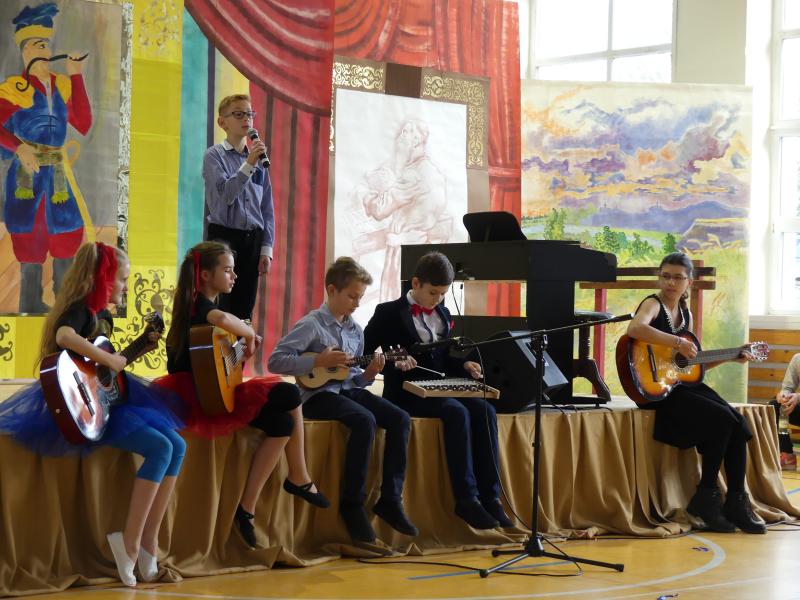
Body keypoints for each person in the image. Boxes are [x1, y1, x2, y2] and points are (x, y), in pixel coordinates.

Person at [0, 242, 186, 586]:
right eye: (122, 279)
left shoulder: (105, 318)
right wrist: (108, 359)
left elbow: (104, 369)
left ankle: (149, 540)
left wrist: (139, 347)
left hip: (105, 400)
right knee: (161, 447)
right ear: (104, 277)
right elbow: (64, 336)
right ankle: (129, 542)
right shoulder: (81, 311)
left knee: (179, 445)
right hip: (84, 408)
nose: (125, 287)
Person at [156, 241, 328, 549]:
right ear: (205, 275)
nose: (234, 276)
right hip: (197, 397)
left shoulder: (206, 311)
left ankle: (246, 509)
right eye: (227, 270)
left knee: (282, 424)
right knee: (290, 392)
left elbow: (217, 366)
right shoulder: (199, 308)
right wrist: (248, 332)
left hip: (212, 391)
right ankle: (299, 475)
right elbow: (222, 320)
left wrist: (240, 353)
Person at [268, 257, 416, 543]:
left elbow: (352, 376)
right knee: (364, 420)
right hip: (316, 396)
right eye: (352, 296)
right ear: (332, 290)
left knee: (401, 418)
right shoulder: (311, 325)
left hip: (348, 390)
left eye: (360, 297)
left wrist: (369, 373)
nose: (357, 303)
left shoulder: (356, 331)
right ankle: (352, 504)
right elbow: (276, 361)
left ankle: (390, 499)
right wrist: (317, 360)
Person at [363, 251, 513, 530]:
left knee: (485, 410)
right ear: (415, 283)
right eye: (433, 293)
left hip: (436, 388)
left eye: (443, 294)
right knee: (456, 412)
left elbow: (442, 361)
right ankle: (466, 498)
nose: (438, 299)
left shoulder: (443, 313)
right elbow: (364, 355)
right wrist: (392, 365)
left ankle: (491, 497)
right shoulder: (387, 312)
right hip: (405, 393)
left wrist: (464, 364)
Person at [626, 251, 765, 534]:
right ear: (659, 278)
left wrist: (730, 357)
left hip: (679, 385)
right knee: (722, 420)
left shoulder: (685, 314)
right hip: (658, 392)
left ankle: (736, 501)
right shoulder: (653, 304)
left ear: (689, 282)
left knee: (738, 423)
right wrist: (677, 342)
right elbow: (635, 328)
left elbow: (689, 365)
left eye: (678, 278)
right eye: (666, 276)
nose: (670, 283)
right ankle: (706, 497)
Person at [0, 2, 93, 313]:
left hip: (57, 174)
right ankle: (30, 303)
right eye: (39, 45)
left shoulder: (61, 85)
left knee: (66, 232)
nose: (45, 50)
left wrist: (76, 76)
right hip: (26, 174)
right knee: (30, 235)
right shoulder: (14, 89)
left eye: (47, 45)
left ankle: (64, 304)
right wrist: (20, 147)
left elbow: (83, 123)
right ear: (25, 50)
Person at [354, 119, 449, 302]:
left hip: (404, 253)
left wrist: (367, 196)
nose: (399, 137)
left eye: (405, 133)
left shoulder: (414, 174)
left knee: (396, 303)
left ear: (416, 141)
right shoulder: (431, 170)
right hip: (421, 248)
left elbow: (380, 209)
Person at [202, 94, 273, 320]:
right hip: (224, 239)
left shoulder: (258, 160)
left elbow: (267, 207)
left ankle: (240, 345)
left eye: (250, 114)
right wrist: (249, 164)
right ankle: (219, 345)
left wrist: (266, 248)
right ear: (222, 122)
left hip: (252, 240)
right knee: (222, 308)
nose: (246, 119)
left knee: (244, 311)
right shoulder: (214, 156)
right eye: (239, 114)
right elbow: (226, 195)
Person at [771, 354, 800, 470]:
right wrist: (784, 396)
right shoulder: (797, 358)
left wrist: (798, 397)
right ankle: (787, 454)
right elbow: (787, 388)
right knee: (776, 406)